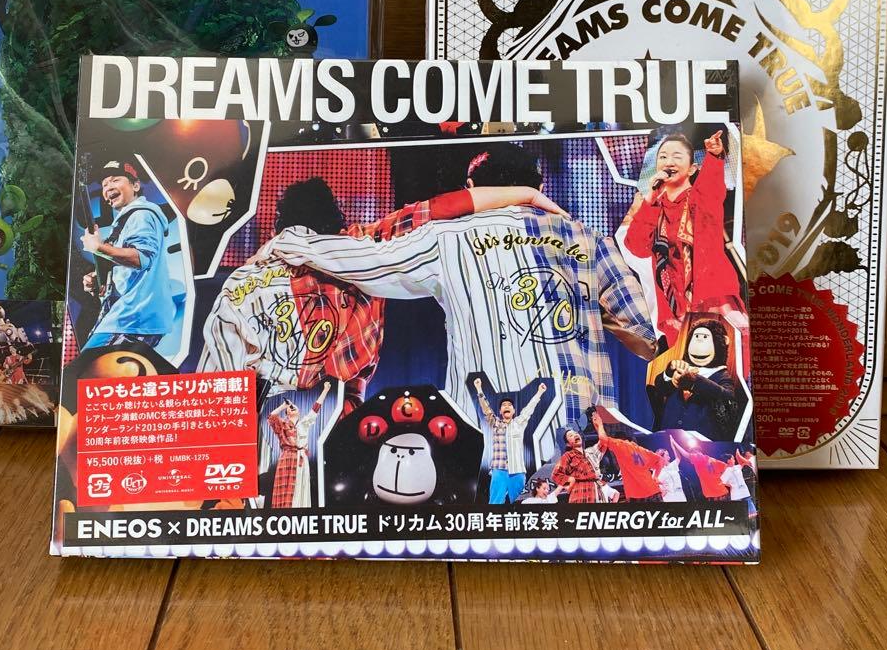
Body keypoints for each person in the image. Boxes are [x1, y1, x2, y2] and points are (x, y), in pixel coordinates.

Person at [264, 143, 658, 438]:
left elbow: (366, 260)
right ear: (540, 185)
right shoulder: (590, 239)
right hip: (583, 437)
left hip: (484, 441)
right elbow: (645, 337)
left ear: (471, 186)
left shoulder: (445, 237)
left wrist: (292, 241)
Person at [200, 175, 566, 414]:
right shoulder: (363, 245)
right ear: (335, 216)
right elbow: (438, 209)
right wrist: (528, 194)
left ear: (279, 224)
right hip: (335, 421)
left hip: (255, 425)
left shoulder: (243, 280)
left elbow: (214, 380)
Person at [622, 131, 742, 346]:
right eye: (663, 157)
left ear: (692, 169)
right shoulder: (654, 208)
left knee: (723, 358)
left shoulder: (700, 199)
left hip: (711, 301)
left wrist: (714, 155)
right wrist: (650, 199)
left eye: (677, 156)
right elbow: (637, 246)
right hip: (674, 310)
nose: (669, 162)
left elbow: (711, 186)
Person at [80, 159, 175, 351]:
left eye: (115, 180)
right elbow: (126, 270)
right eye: (104, 184)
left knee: (89, 366)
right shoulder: (125, 223)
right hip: (126, 317)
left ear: (136, 186)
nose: (108, 187)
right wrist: (98, 280)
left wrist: (98, 247)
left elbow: (141, 258)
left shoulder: (142, 215)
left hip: (133, 317)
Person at [649, 318, 742, 441]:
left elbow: (728, 400)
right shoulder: (682, 367)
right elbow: (661, 388)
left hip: (700, 446)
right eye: (696, 337)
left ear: (723, 341)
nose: (699, 344)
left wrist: (694, 382)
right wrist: (669, 372)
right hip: (665, 438)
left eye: (705, 337)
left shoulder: (722, 376)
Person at [474, 378, 547, 504]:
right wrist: (479, 389)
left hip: (517, 471)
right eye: (504, 405)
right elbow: (486, 409)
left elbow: (529, 409)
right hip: (499, 469)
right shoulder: (495, 423)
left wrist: (539, 392)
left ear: (513, 411)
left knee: (518, 504)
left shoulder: (519, 423)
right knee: (495, 503)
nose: (506, 406)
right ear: (500, 411)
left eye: (509, 405)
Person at [267, 382, 332, 508]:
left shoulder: (304, 423)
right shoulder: (282, 424)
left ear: (299, 412)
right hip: (287, 456)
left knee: (301, 485)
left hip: (301, 457)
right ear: (287, 413)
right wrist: (284, 405)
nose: (292, 408)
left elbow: (315, 408)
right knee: (286, 487)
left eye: (294, 407)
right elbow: (271, 417)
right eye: (289, 408)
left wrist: (325, 390)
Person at [592, 412, 663, 502]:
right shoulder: (641, 450)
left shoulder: (621, 445)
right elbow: (660, 460)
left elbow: (603, 439)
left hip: (637, 496)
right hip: (653, 491)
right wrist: (655, 476)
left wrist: (599, 423)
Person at [551, 426, 603, 504]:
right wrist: (570, 479)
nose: (575, 435)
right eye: (571, 435)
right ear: (568, 444)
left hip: (595, 490)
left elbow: (603, 442)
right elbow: (555, 474)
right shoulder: (568, 455)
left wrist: (598, 425)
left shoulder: (589, 453)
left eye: (575, 433)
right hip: (579, 492)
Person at [669, 435, 729, 501]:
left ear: (696, 452)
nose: (692, 456)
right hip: (723, 493)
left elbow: (686, 454)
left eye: (692, 453)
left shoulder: (699, 458)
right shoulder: (712, 459)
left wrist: (674, 442)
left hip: (716, 496)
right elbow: (727, 468)